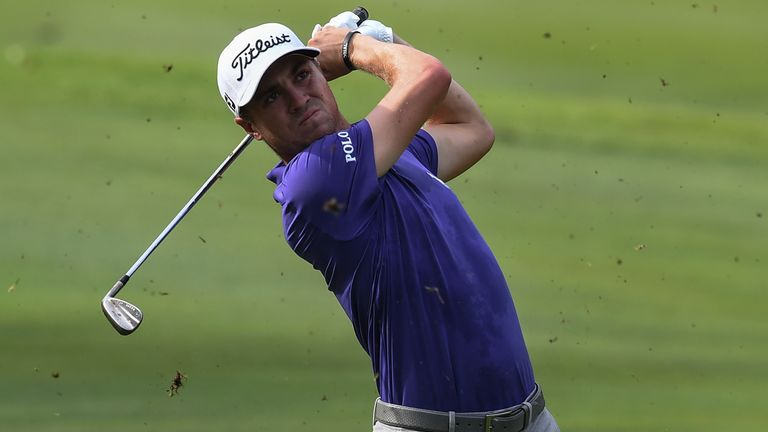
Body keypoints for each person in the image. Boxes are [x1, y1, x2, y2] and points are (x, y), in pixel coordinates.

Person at [216, 10, 560, 432]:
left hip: (530, 418)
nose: (297, 98)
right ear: (250, 127)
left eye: (302, 75)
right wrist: (354, 46)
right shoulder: (316, 181)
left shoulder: (388, 158)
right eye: (271, 97)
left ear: (321, 73)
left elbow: (469, 127)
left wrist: (383, 37)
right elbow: (429, 75)